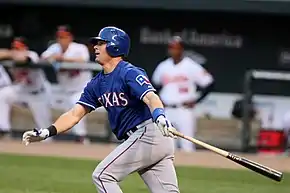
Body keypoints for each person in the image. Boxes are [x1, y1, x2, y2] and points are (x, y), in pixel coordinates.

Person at [22, 26, 180, 193]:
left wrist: (160, 116)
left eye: (101, 43)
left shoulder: (129, 72)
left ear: (115, 46)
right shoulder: (96, 84)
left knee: (103, 176)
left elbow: (151, 97)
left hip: (149, 133)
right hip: (145, 139)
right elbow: (75, 114)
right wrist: (47, 132)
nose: (95, 47)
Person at [152, 36, 214, 152]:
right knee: (167, 146)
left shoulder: (191, 65)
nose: (173, 51)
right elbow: (154, 85)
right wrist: (159, 99)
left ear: (182, 50)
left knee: (187, 145)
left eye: (176, 48)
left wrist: (196, 100)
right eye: (171, 48)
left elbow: (209, 83)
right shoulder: (163, 66)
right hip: (167, 110)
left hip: (184, 110)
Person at [40, 25, 92, 144]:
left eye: (64, 37)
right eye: (59, 37)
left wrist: (63, 59)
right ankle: (47, 136)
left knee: (76, 105)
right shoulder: (55, 48)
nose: (62, 39)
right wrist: (55, 57)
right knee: (46, 102)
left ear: (70, 37)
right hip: (65, 89)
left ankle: (81, 137)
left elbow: (83, 60)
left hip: (82, 88)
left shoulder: (79, 48)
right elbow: (43, 58)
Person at [0, 37, 51, 138]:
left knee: (44, 131)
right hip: (22, 91)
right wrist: (10, 53)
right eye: (14, 47)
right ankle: (4, 129)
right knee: (3, 94)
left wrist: (13, 55)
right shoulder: (11, 55)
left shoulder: (32, 54)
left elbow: (24, 59)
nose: (16, 50)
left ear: (25, 48)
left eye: (19, 48)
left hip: (37, 94)